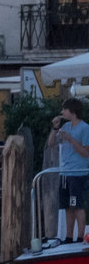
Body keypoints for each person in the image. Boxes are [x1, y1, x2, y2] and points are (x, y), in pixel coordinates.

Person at [48, 97, 89, 242]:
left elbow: (86, 152)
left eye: (64, 109)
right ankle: (69, 236)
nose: (62, 112)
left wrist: (71, 139)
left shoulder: (85, 128)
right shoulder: (65, 127)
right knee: (67, 206)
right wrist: (55, 128)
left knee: (77, 205)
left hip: (78, 173)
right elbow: (51, 143)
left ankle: (80, 236)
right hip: (64, 173)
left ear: (72, 110)